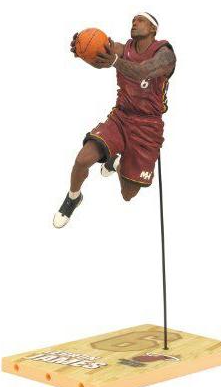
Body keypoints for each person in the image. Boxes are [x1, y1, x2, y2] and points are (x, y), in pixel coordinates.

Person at [53, 12, 176, 228]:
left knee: (128, 195)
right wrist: (84, 51)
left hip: (148, 126)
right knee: (82, 159)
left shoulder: (165, 55)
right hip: (121, 117)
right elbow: (104, 58)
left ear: (153, 29)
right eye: (133, 20)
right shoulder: (122, 49)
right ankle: (73, 197)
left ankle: (115, 162)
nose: (134, 23)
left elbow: (142, 71)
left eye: (140, 20)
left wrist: (115, 62)